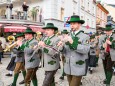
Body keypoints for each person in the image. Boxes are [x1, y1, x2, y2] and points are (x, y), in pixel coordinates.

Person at [58, 15, 90, 86]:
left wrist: (73, 42)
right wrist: (61, 46)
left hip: (78, 66)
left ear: (79, 24)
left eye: (74, 23)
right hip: (68, 66)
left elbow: (86, 50)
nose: (72, 25)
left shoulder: (85, 36)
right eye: (71, 24)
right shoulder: (67, 36)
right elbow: (64, 51)